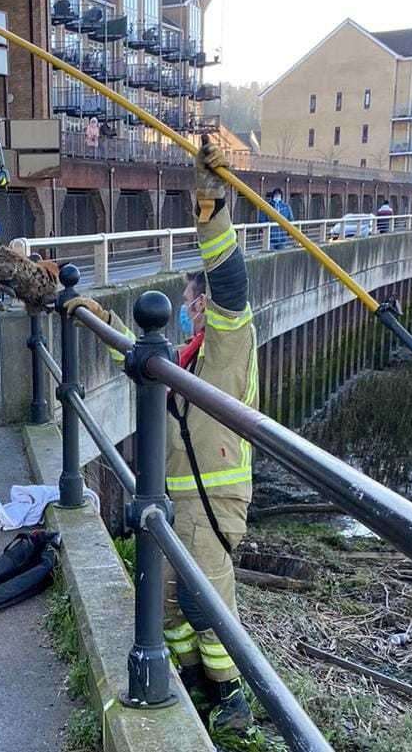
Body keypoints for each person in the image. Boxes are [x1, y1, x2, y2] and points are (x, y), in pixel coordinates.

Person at [65, 141, 257, 732]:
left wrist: (209, 203)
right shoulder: (188, 356)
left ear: (202, 306)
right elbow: (145, 356)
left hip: (209, 498)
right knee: (170, 604)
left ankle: (233, 698)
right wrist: (91, 312)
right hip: (177, 497)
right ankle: (196, 684)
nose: (185, 308)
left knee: (206, 604)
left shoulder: (229, 346)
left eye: (188, 300)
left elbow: (230, 284)